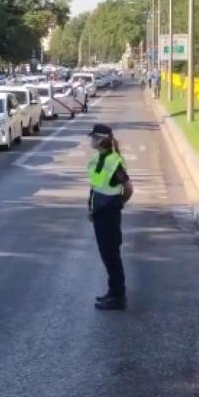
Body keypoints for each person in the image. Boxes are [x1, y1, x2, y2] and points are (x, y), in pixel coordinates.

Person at [87, 124, 134, 311]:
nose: (91, 140)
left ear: (100, 140)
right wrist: (91, 208)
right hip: (99, 214)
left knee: (112, 256)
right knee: (106, 255)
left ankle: (118, 296)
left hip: (109, 215)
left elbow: (128, 188)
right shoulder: (99, 159)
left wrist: (119, 203)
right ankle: (112, 292)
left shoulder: (114, 162)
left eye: (93, 138)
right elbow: (96, 186)